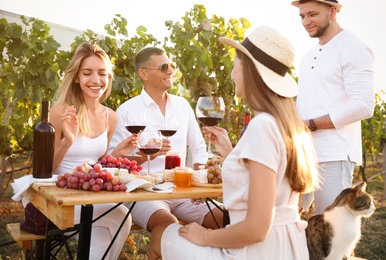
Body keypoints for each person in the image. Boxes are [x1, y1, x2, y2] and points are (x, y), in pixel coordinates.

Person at [148, 25, 320, 260]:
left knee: (160, 234)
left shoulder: (262, 126)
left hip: (254, 251)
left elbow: (257, 228)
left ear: (250, 71)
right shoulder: (287, 124)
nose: (231, 74)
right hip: (287, 247)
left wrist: (205, 237)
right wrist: (231, 154)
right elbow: (269, 185)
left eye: (234, 65)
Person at [108, 46, 223, 232]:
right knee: (168, 225)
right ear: (143, 74)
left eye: (171, 65)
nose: (170, 71)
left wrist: (199, 184)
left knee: (228, 218)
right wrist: (147, 157)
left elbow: (199, 147)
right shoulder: (127, 111)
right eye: (163, 67)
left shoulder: (182, 106)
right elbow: (114, 162)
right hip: (143, 193)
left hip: (182, 191)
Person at [50, 42, 137, 259]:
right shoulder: (60, 112)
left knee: (101, 242)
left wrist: (115, 155)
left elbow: (94, 164)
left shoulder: (110, 117)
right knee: (122, 218)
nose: (96, 80)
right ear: (77, 77)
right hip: (58, 198)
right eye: (87, 73)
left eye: (102, 73)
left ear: (108, 78)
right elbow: (44, 168)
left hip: (90, 197)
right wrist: (67, 142)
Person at [291, 0, 375, 214]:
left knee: (331, 231)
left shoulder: (353, 47)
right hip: (303, 155)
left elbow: (364, 105)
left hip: (334, 155)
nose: (305, 21)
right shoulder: (308, 56)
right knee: (292, 222)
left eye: (312, 14)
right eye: (302, 16)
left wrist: (311, 125)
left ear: (333, 11)